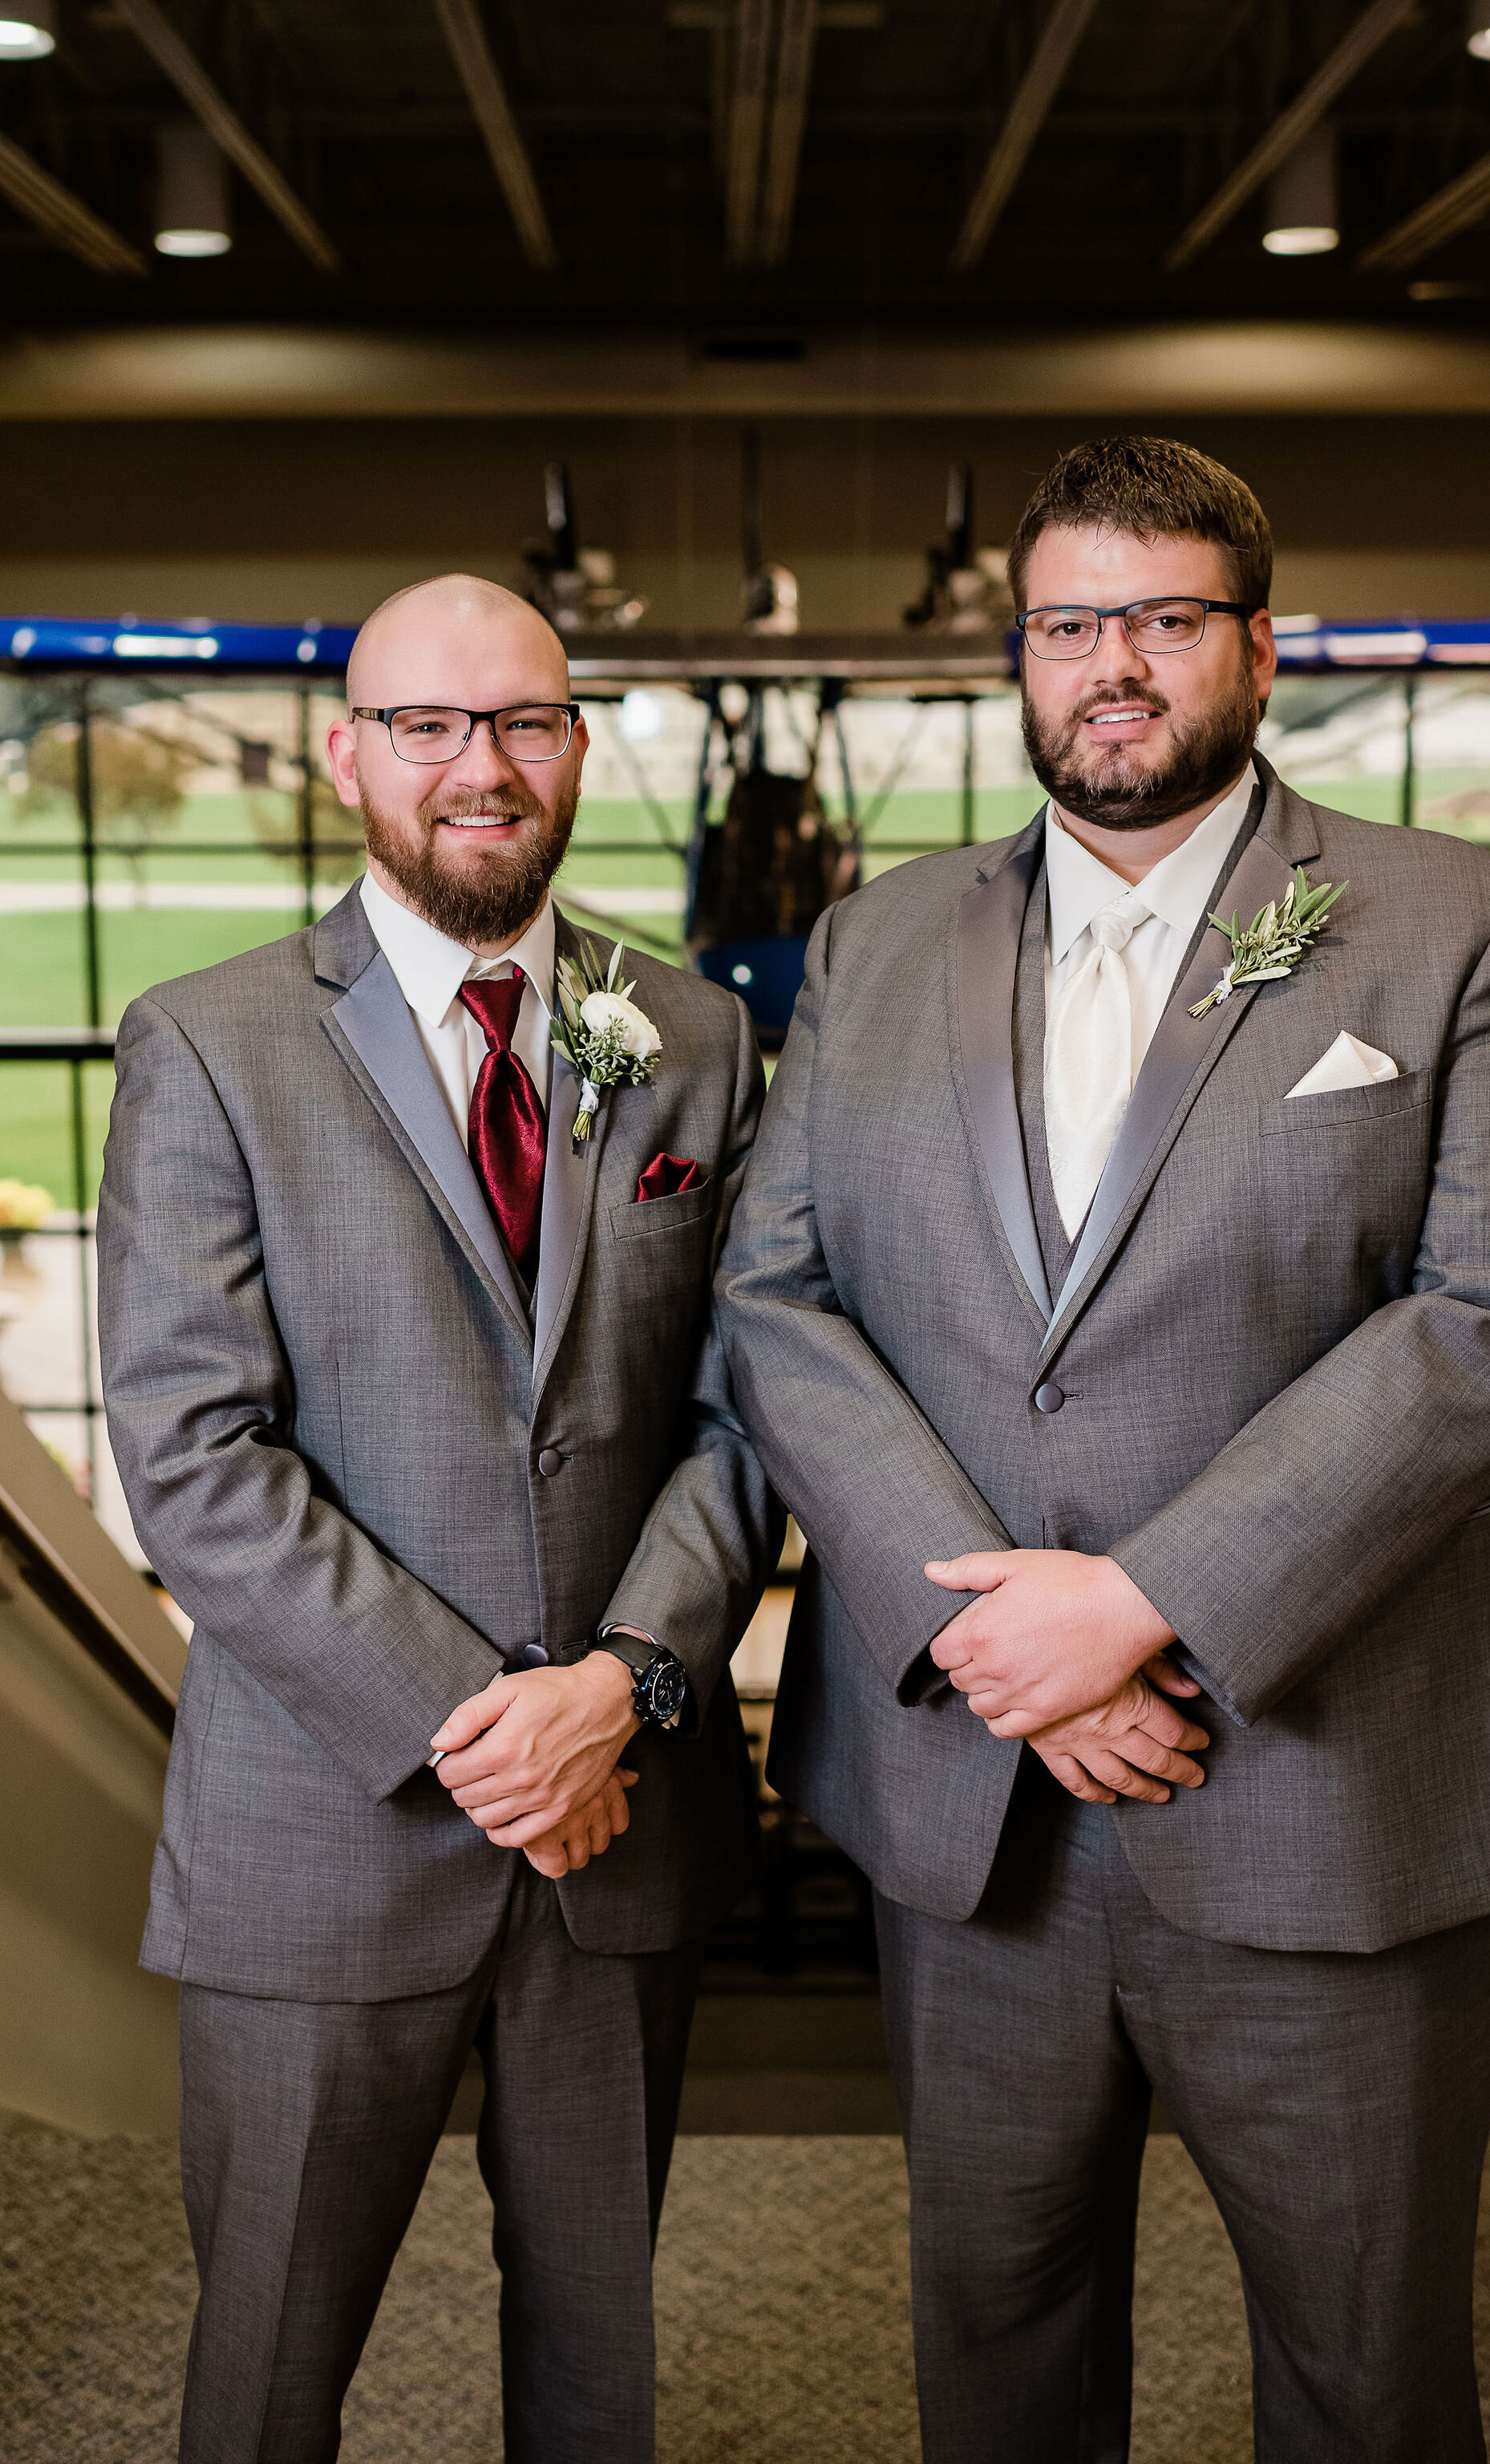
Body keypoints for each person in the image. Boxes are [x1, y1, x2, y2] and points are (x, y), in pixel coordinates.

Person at [717, 436, 1490, 2462]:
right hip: (979, 1817)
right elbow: (778, 1304)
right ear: (1019, 660)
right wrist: (985, 1644)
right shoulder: (873, 949)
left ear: (1257, 644)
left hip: (1332, 1786)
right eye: (1066, 625)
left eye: (1162, 617)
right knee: (997, 2352)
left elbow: (1481, 1328)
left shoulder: (1459, 923)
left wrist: (1139, 1607)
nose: (1110, 663)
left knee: (1361, 2375)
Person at [98, 574, 780, 2464]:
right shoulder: (209, 1044)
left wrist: (621, 1686)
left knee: (595, 2371)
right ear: (349, 757)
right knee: (266, 2377)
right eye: (429, 726)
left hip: (621, 1824)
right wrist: (493, 1732)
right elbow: (195, 1454)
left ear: (573, 746)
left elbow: (745, 1409)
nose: (480, 767)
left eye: (524, 723)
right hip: (327, 1827)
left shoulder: (692, 1038)